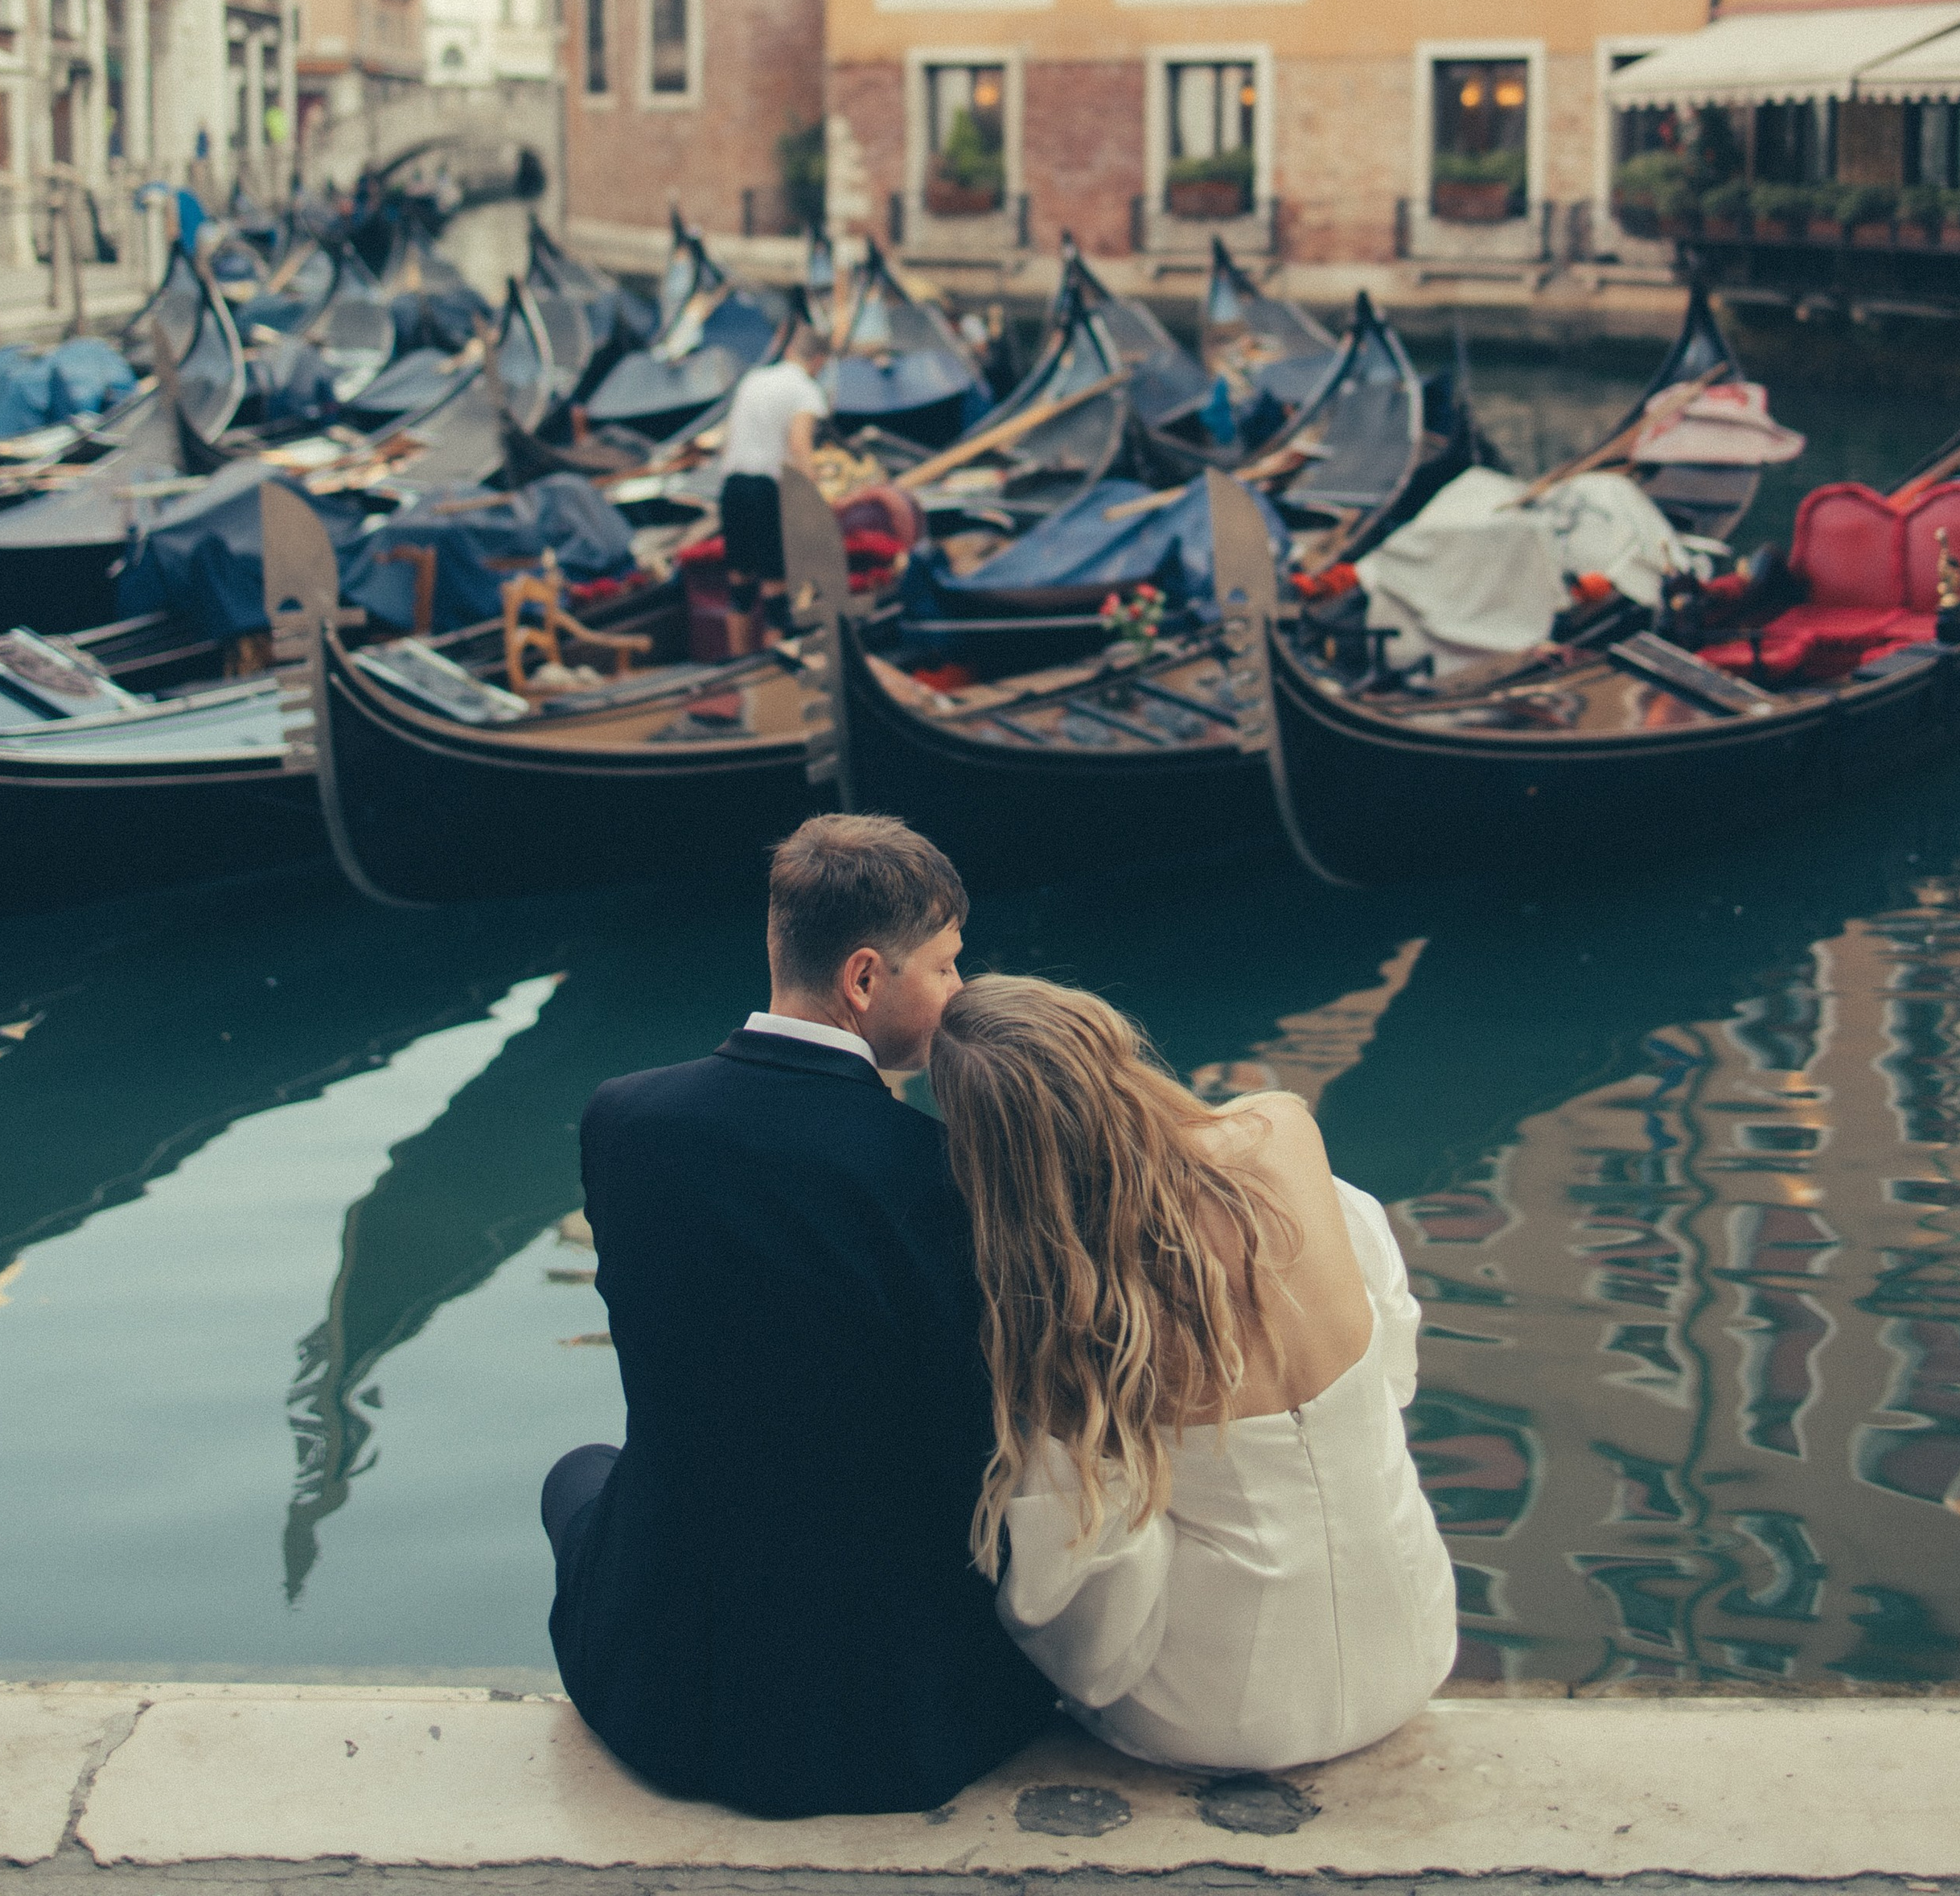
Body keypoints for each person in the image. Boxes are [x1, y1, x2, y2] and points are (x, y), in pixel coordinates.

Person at [541, 816, 1054, 1820]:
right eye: (946, 966)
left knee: (578, 1474)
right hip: (894, 1723)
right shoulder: (942, 1176)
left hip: (655, 1695)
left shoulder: (621, 1119)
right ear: (865, 978)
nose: (959, 993)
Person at [926, 974, 1457, 1773]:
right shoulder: (1281, 1131)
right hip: (1415, 1642)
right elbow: (1392, 1352)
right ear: (1110, 1042)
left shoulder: (1075, 1313)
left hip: (1220, 1716)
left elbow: (1093, 1622)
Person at [714, 321, 831, 654]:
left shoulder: (754, 379)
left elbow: (729, 440)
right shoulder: (806, 390)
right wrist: (813, 494)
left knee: (740, 587)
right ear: (818, 361)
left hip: (733, 484)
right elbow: (799, 445)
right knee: (776, 589)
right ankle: (772, 671)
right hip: (766, 488)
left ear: (790, 350)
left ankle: (739, 663)